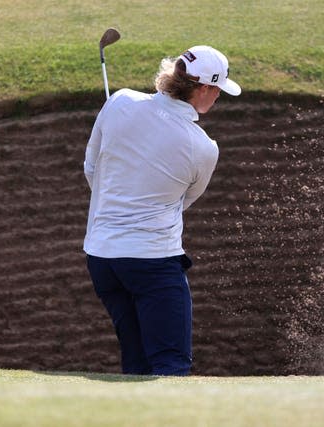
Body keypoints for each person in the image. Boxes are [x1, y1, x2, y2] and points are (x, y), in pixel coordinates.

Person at [83, 45, 241, 376]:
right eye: (218, 92)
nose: (217, 98)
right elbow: (184, 200)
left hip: (101, 259)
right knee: (171, 363)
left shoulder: (120, 101)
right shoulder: (203, 147)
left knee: (136, 361)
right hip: (152, 263)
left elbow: (92, 169)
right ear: (204, 89)